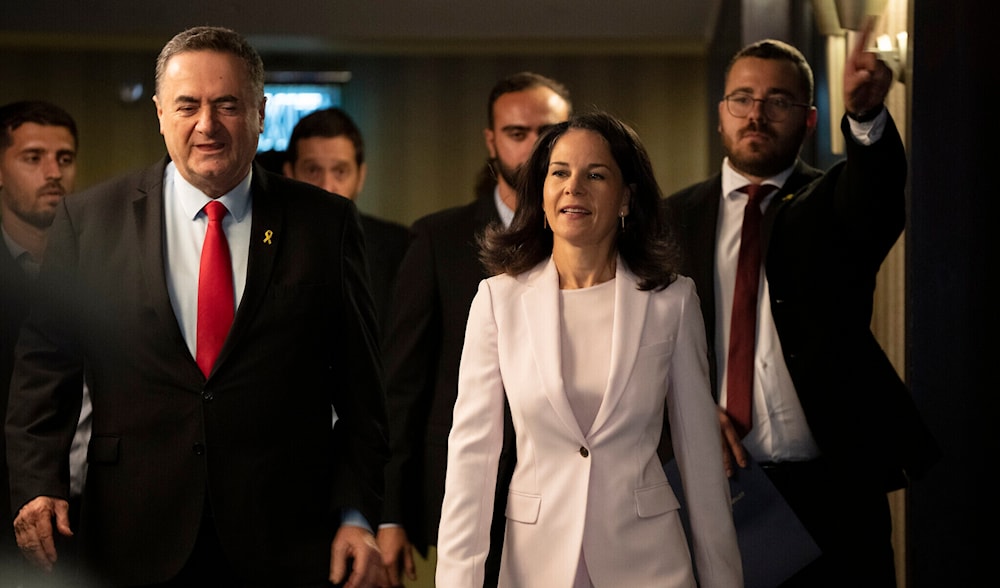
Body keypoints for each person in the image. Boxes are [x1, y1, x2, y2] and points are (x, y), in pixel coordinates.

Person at [5, 26, 389, 587]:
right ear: (161, 113)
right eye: (188, 105)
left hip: (286, 536)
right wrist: (39, 484)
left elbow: (361, 392)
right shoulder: (89, 221)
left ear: (260, 112)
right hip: (130, 535)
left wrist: (357, 515)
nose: (206, 125)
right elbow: (44, 369)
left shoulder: (324, 224)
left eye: (227, 105)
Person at [662, 23, 940, 587]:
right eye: (742, 98)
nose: (756, 114)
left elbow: (878, 192)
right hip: (711, 488)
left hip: (833, 494)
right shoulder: (667, 222)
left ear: (809, 117)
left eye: (778, 101)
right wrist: (685, 409)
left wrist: (865, 117)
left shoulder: (834, 203)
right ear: (721, 113)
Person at [436, 111, 742, 587]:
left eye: (595, 174)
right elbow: (471, 462)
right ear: (541, 190)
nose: (573, 187)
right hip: (536, 566)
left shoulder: (672, 300)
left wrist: (724, 581)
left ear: (626, 197)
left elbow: (700, 460)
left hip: (650, 564)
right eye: (560, 173)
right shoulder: (498, 301)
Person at [378, 72, 571, 587]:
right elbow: (402, 386)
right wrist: (390, 512)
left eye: (548, 132)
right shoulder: (439, 238)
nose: (533, 147)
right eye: (516, 133)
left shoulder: (597, 237)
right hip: (469, 492)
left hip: (572, 489)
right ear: (492, 140)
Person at [0, 99, 84, 586]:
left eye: (65, 159)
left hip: (81, 505)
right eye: (33, 158)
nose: (53, 173)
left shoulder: (99, 266)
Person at [283, 107, 410, 330]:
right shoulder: (263, 247)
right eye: (313, 170)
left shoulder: (401, 250)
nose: (327, 186)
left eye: (340, 172)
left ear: (360, 177)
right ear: (289, 173)